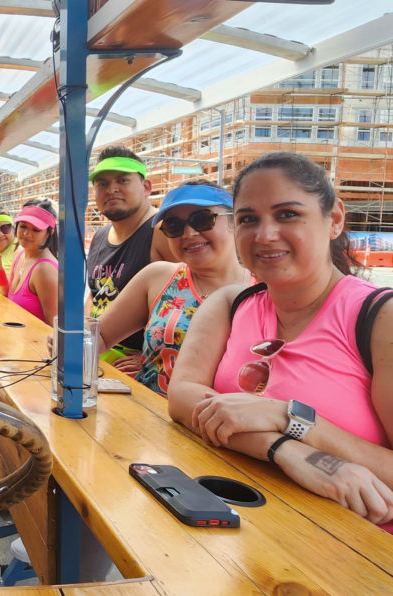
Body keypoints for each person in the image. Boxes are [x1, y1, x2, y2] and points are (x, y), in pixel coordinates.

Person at [168, 152, 393, 531]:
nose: (265, 234)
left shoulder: (378, 319)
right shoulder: (230, 304)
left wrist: (290, 416)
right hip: (241, 530)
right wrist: (284, 449)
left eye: (287, 214)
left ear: (334, 219)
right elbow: (182, 398)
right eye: (248, 219)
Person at [90, 182, 249, 395]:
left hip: (218, 424)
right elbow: (99, 336)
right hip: (144, 419)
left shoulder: (264, 291)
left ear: (234, 221)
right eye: (174, 225)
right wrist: (69, 337)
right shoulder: (158, 277)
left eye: (202, 219)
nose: (189, 233)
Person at [87, 146, 175, 373]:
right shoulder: (100, 237)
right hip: (99, 355)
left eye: (122, 180)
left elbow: (195, 300)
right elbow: (96, 297)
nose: (111, 189)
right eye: (102, 184)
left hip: (138, 370)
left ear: (146, 187)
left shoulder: (161, 231)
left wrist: (155, 356)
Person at [4, 199, 59, 325]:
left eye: (36, 230)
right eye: (23, 226)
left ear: (49, 233)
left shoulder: (44, 269)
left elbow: (53, 326)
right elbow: (6, 295)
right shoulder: (19, 253)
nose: (26, 234)